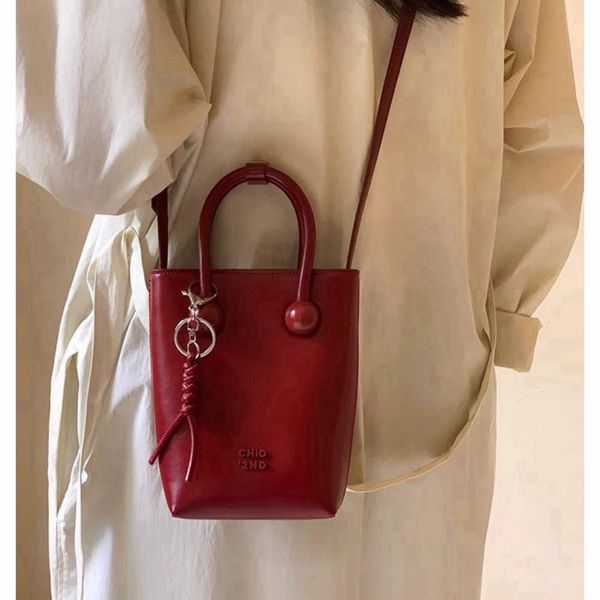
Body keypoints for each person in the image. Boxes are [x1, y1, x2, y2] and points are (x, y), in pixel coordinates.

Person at [17, 0, 583, 598]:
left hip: (194, 391)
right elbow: (539, 136)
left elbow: (95, 144)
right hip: (429, 389)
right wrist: (503, 311)